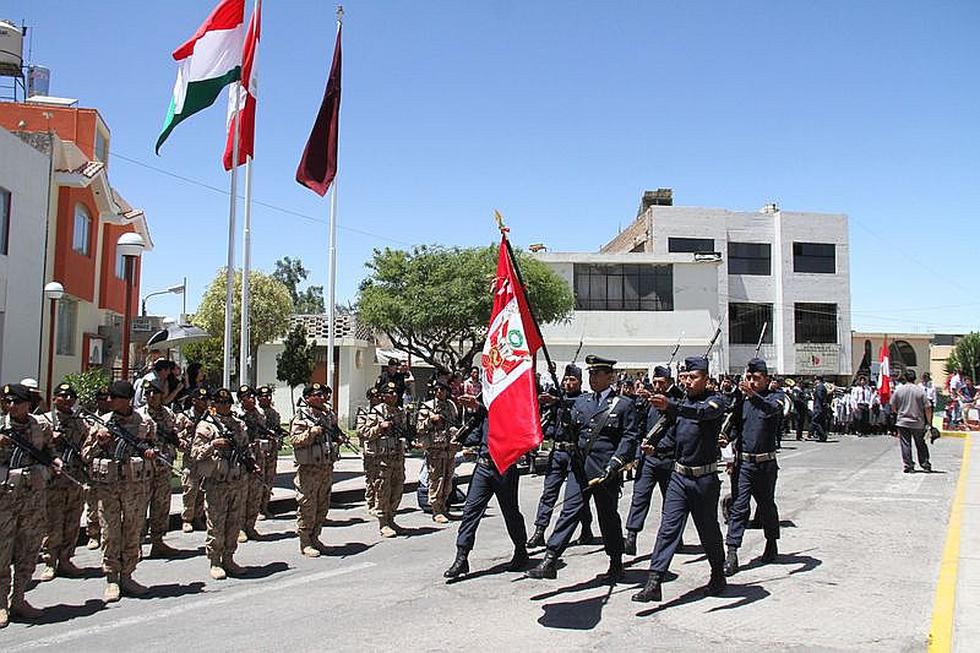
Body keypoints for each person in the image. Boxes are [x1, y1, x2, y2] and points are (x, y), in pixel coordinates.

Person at [527, 355, 641, 583]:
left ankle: (616, 561)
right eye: (590, 374)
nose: (593, 378)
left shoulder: (623, 405)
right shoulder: (582, 402)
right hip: (579, 469)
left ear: (610, 376)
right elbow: (573, 432)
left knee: (608, 517)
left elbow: (629, 438)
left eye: (597, 374)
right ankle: (550, 559)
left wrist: (616, 464)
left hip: (605, 471)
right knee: (569, 512)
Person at [632, 356, 727, 603]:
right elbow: (673, 433)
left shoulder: (715, 401)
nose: (688, 382)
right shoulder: (682, 402)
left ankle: (718, 573)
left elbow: (701, 414)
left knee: (708, 531)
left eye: (694, 377)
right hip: (679, 477)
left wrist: (672, 407)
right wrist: (654, 447)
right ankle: (654, 581)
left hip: (704, 479)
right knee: (668, 529)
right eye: (686, 377)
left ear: (706, 379)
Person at [81, 380, 157, 602]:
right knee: (110, 531)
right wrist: (99, 442)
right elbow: (86, 455)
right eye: (108, 398)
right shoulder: (102, 423)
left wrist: (149, 453)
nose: (110, 401)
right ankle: (112, 578)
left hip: (135, 486)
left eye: (114, 398)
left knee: (133, 529)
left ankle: (128, 575)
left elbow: (156, 447)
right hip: (109, 487)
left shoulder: (145, 422)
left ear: (127, 400)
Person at [444, 395, 529, 578]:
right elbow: (473, 438)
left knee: (510, 512)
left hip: (504, 468)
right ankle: (462, 557)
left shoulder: (512, 409)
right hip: (483, 467)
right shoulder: (483, 415)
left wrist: (479, 406)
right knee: (470, 511)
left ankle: (521, 549)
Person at [0, 383, 60, 626]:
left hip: (34, 497)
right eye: (7, 402)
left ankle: (19, 598)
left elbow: (49, 450)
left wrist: (55, 461)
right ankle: (1, 603)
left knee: (28, 550)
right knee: (2, 551)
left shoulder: (40, 426)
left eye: (16, 402)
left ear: (28, 404)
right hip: (5, 498)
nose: (11, 406)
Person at [721, 358, 784, 576]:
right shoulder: (743, 400)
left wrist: (752, 395)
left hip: (765, 464)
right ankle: (731, 552)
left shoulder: (776, 397)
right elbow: (736, 426)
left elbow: (772, 411)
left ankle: (771, 542)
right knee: (739, 507)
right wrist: (726, 438)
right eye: (749, 378)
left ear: (766, 379)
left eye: (756, 378)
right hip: (744, 463)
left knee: (766, 506)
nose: (752, 382)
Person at [526, 364, 595, 549]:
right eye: (565, 380)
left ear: (580, 382)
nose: (568, 383)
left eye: (572, 380)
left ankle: (586, 528)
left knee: (577, 496)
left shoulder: (584, 400)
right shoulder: (558, 399)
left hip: (575, 454)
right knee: (549, 492)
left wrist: (557, 401)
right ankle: (540, 530)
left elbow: (574, 405)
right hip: (557, 453)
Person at [191, 388, 250, 579]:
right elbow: (195, 453)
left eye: (227, 403)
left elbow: (245, 448)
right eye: (220, 403)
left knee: (234, 523)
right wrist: (213, 445)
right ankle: (215, 560)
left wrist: (251, 464)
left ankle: (229, 557)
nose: (224, 406)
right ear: (214, 405)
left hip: (237, 480)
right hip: (217, 482)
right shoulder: (206, 426)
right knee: (216, 523)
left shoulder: (238, 424)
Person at [624, 366, 680, 556]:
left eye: (661, 382)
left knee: (671, 502)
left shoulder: (677, 400)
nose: (657, 386)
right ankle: (631, 535)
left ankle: (673, 537)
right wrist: (636, 456)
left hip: (670, 460)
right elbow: (640, 428)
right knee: (639, 497)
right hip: (649, 459)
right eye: (655, 382)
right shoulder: (649, 402)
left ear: (669, 381)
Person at [39, 383, 89, 581]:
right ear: (54, 398)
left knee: (72, 522)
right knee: (52, 522)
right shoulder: (43, 422)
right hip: (53, 482)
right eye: (63, 395)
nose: (67, 399)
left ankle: (66, 559)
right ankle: (50, 561)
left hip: (75, 479)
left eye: (71, 396)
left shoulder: (81, 422)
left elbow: (88, 445)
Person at [290, 383, 342, 556]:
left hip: (325, 467)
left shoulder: (327, 415)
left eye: (322, 394)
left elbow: (334, 432)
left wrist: (338, 438)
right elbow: (295, 440)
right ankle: (305, 542)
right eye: (316, 395)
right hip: (309, 470)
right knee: (307, 506)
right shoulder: (301, 416)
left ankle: (316, 537)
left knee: (322, 505)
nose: (321, 397)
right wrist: (311, 432)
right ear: (307, 398)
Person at [137, 379, 180, 557]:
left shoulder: (169, 414)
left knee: (161, 506)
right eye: (148, 393)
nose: (151, 396)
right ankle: (137, 544)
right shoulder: (138, 415)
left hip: (163, 467)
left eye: (155, 393)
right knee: (139, 507)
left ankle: (158, 542)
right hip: (144, 469)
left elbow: (176, 434)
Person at [360, 382, 408, 538]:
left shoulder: (399, 412)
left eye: (395, 393)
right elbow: (364, 432)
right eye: (390, 393)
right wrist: (380, 427)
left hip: (397, 456)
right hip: (381, 458)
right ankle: (383, 522)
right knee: (382, 490)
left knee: (397, 488)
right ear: (383, 396)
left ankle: (391, 518)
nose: (394, 396)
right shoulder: (375, 412)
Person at [416, 380, 461, 523]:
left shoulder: (450, 406)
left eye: (442, 389)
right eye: (437, 389)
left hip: (449, 448)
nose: (440, 392)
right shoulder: (427, 407)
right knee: (436, 480)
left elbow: (454, 423)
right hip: (435, 449)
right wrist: (430, 420)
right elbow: (419, 428)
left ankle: (444, 507)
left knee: (448, 480)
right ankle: (436, 510)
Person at [234, 385, 274, 542]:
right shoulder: (236, 414)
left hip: (258, 453)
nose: (251, 399)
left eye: (252, 396)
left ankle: (250, 526)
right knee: (242, 493)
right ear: (241, 399)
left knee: (255, 493)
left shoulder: (260, 413)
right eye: (246, 397)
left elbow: (262, 430)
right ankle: (239, 528)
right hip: (244, 456)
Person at [175, 386, 210, 532]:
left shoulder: (209, 417)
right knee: (190, 488)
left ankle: (198, 516)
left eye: (206, 400)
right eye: (201, 400)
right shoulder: (184, 416)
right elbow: (175, 435)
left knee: (202, 489)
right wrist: (185, 433)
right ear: (194, 400)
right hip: (190, 457)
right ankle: (187, 519)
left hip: (205, 456)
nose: (204, 402)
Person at [84, 386, 111, 550]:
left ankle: (105, 534)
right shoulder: (88, 420)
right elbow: (85, 449)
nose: (105, 402)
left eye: (107, 398)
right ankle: (93, 534)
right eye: (101, 399)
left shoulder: (115, 420)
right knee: (93, 503)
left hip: (112, 469)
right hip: (94, 467)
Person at [891, 369, 932, 473]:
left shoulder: (899, 390)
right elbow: (928, 407)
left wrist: (900, 412)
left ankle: (909, 465)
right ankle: (925, 464)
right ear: (915, 378)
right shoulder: (920, 391)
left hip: (903, 421)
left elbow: (893, 406)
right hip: (918, 422)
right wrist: (929, 423)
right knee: (920, 443)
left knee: (905, 444)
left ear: (905, 378)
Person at [256, 385, 283, 518]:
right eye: (263, 396)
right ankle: (256, 509)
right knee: (259, 480)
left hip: (272, 450)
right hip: (259, 451)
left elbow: (277, 428)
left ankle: (265, 506)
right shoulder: (255, 413)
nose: (266, 398)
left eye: (268, 396)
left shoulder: (274, 413)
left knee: (269, 478)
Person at [357, 387, 383, 516]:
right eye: (374, 397)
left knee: (381, 479)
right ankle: (371, 503)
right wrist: (378, 429)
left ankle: (380, 503)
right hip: (370, 451)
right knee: (371, 478)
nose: (377, 399)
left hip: (384, 451)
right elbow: (362, 431)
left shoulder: (384, 411)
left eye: (378, 396)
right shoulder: (364, 412)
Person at [811, 376, 829, 442]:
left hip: (818, 407)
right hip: (821, 407)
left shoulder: (819, 387)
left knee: (815, 421)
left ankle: (822, 434)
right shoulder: (822, 387)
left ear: (818, 380)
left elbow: (820, 396)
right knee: (821, 422)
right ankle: (822, 436)